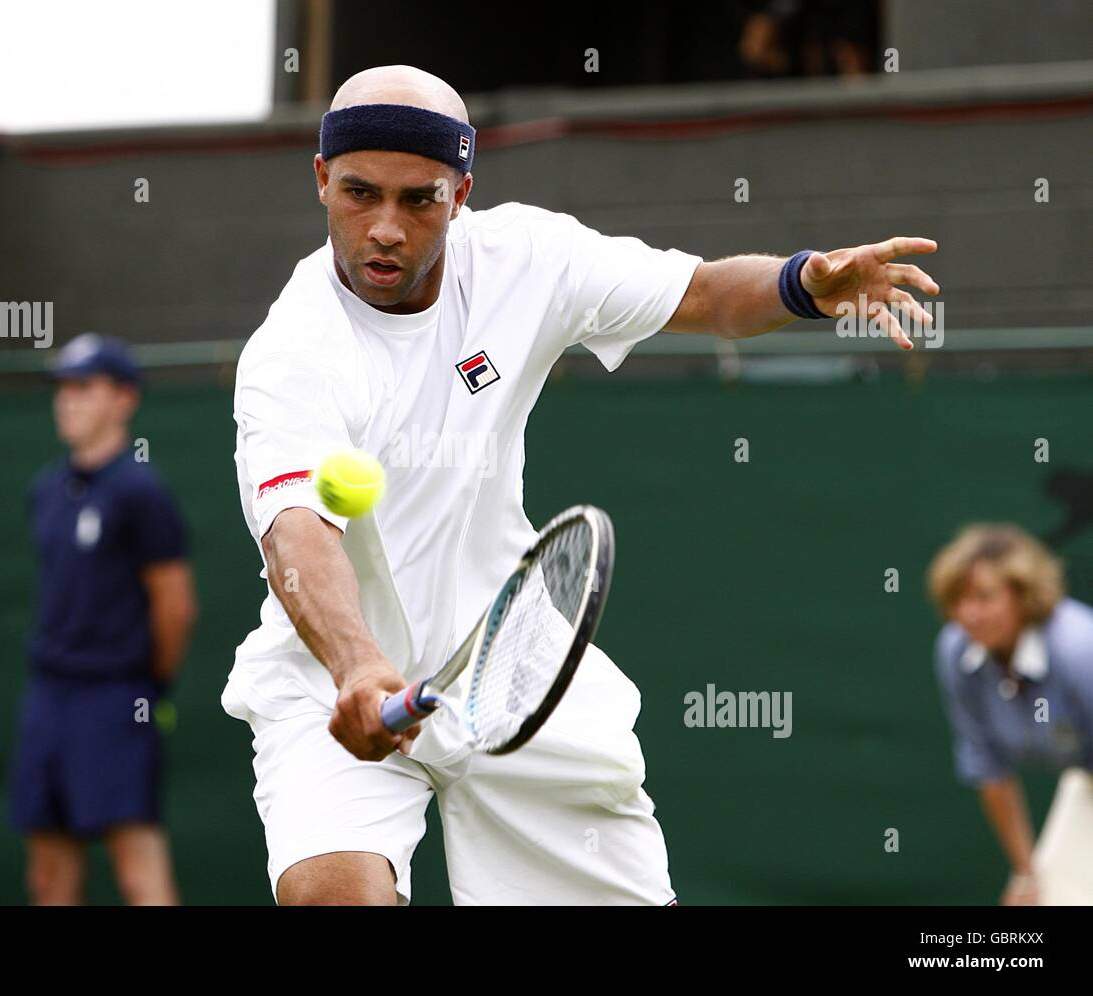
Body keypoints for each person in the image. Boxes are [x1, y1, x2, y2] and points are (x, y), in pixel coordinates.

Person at [223, 64, 939, 905]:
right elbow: (297, 534)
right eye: (359, 193)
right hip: (332, 683)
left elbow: (705, 295)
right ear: (320, 181)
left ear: (459, 196)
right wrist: (357, 667)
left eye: (418, 199)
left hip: (510, 662)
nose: (384, 227)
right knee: (330, 896)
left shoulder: (527, 257)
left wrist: (803, 285)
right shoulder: (291, 353)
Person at [12, 332, 197, 905]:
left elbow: (176, 605)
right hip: (48, 695)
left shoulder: (142, 491)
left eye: (84, 387)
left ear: (124, 399)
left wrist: (149, 684)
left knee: (136, 871)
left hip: (117, 695)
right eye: (63, 388)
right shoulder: (45, 491)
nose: (68, 400)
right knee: (47, 872)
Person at [929, 523, 1093, 905]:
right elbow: (989, 767)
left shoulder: (1080, 649)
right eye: (958, 600)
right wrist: (1026, 873)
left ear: (1023, 596)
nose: (970, 614)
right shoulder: (955, 653)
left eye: (985, 598)